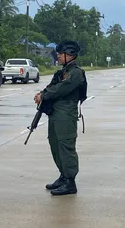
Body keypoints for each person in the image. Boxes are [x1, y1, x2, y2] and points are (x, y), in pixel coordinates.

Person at [34, 40, 87, 195]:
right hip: (56, 114)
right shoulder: (61, 72)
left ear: (69, 55)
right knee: (55, 144)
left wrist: (45, 95)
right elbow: (52, 86)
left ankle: (70, 182)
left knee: (66, 146)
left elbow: (62, 88)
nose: (58, 56)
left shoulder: (76, 73)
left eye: (60, 53)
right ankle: (63, 176)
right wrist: (42, 93)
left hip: (66, 114)